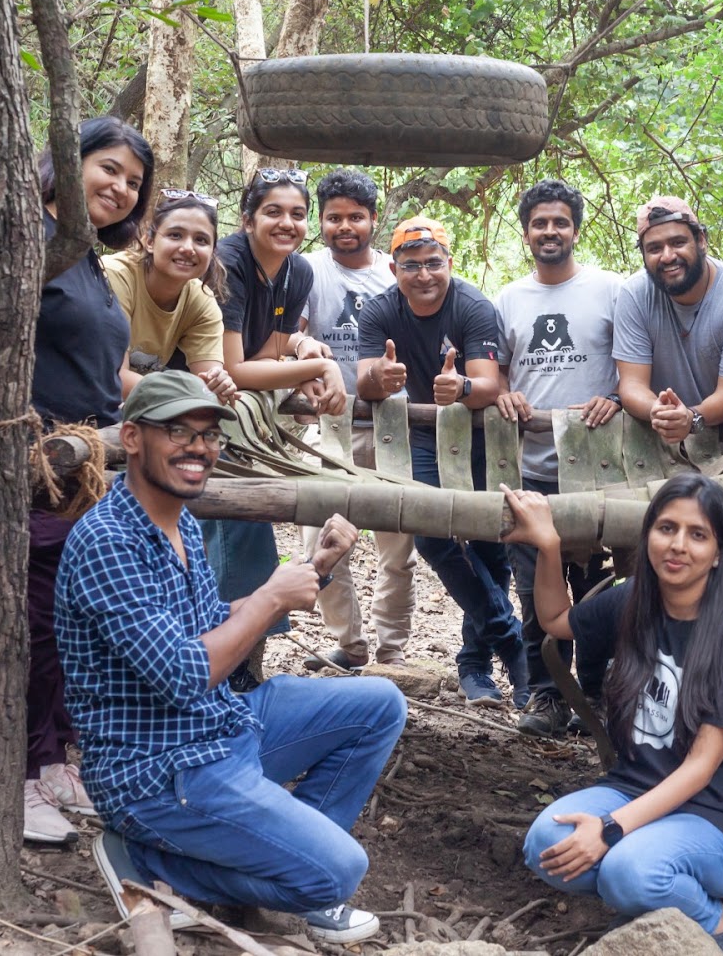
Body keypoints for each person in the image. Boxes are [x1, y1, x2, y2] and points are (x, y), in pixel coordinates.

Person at [55, 371, 405, 946]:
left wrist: (310, 570)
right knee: (339, 871)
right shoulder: (107, 541)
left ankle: (278, 860)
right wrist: (270, 598)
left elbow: (206, 622)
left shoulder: (179, 522)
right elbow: (184, 673)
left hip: (221, 731)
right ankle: (148, 866)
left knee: (379, 704)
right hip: (159, 773)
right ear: (134, 438)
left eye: (208, 434)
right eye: (178, 432)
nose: (199, 447)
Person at [505, 473, 723, 956]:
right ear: (648, 533)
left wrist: (611, 830)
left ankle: (712, 923)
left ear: (719, 552)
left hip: (720, 816)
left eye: (698, 535)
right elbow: (554, 622)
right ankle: (647, 880)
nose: (678, 546)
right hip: (636, 789)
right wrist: (549, 546)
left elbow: (700, 768)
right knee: (544, 845)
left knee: (629, 872)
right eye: (666, 528)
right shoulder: (633, 601)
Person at [24, 115, 154, 846]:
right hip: (38, 467)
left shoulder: (87, 263)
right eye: (109, 169)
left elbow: (107, 373)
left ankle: (52, 758)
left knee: (71, 625)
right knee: (37, 621)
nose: (121, 188)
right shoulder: (30, 244)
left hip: (90, 473)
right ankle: (16, 771)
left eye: (133, 183)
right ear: (67, 163)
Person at [356, 216, 529, 707]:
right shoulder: (380, 311)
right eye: (412, 266)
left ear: (450, 263)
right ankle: (513, 644)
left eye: (434, 263)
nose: (424, 274)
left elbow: (489, 383)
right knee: (431, 532)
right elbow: (365, 378)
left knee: (490, 546)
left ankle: (475, 665)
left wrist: (464, 389)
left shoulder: (473, 305)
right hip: (421, 440)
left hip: (478, 440)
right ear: (394, 269)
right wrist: (381, 380)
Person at [207, 168, 347, 687]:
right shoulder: (227, 263)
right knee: (231, 527)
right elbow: (236, 367)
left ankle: (243, 655)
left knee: (246, 528)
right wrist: (318, 367)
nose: (286, 223)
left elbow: (265, 353)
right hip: (198, 405)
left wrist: (301, 354)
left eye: (297, 213)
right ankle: (227, 656)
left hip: (243, 413)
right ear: (247, 218)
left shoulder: (297, 272)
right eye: (273, 211)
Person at [495, 180, 623, 738]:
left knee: (596, 585)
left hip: (598, 467)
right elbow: (495, 367)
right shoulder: (508, 298)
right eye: (540, 223)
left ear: (576, 228)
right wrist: (503, 391)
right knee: (531, 588)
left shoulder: (613, 290)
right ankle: (546, 696)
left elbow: (634, 362)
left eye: (560, 222)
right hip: (529, 466)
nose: (550, 231)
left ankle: (594, 693)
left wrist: (616, 397)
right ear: (526, 234)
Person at [296, 169, 419, 671]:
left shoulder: (396, 273)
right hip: (329, 420)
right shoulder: (308, 271)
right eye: (333, 218)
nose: (344, 226)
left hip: (395, 422)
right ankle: (348, 643)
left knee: (397, 544)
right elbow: (292, 335)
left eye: (355, 217)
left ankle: (391, 650)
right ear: (320, 222)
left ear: (374, 219)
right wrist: (303, 359)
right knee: (318, 536)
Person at [614, 196, 723, 444]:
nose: (668, 256)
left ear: (701, 240)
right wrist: (659, 411)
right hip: (661, 441)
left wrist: (690, 418)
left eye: (678, 242)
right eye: (655, 248)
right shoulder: (634, 294)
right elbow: (632, 385)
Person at [102, 190, 237, 403]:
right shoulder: (115, 276)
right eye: (175, 235)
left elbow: (208, 385)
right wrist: (190, 394)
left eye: (201, 240)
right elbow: (114, 377)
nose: (188, 248)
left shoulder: (201, 300)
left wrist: (218, 384)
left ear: (212, 252)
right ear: (149, 241)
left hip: (142, 407)